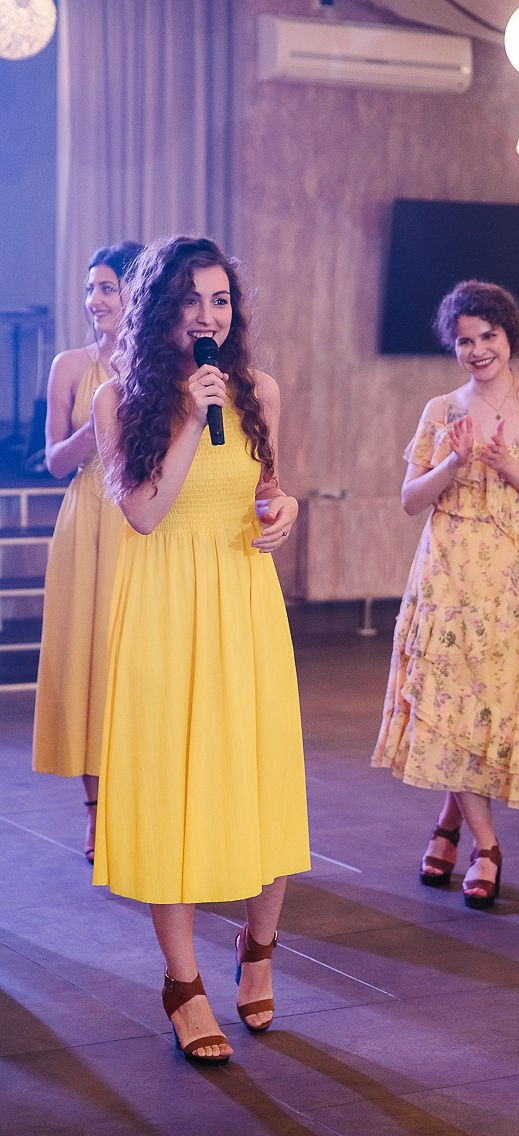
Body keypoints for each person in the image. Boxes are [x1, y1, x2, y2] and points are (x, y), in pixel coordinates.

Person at [92, 235, 309, 1061]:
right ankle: (183, 984)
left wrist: (285, 511)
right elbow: (145, 513)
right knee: (171, 786)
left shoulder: (260, 391)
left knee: (261, 774)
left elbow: (267, 490)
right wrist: (189, 413)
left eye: (220, 301)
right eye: (191, 301)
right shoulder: (121, 398)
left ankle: (260, 949)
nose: (208, 316)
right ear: (161, 310)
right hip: (163, 606)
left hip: (243, 599)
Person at [372, 280, 519, 909]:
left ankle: (448, 823)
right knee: (448, 702)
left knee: (490, 706)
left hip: (512, 581)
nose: (478, 349)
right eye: (465, 340)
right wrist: (454, 462)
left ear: (510, 335)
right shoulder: (442, 409)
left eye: (488, 335)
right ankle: (487, 847)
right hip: (448, 577)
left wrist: (507, 463)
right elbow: (411, 500)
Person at [33, 240, 143, 863]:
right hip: (86, 520)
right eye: (90, 289)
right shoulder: (70, 366)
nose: (94, 301)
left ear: (136, 294)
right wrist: (99, 424)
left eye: (107, 288)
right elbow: (53, 461)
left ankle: (144, 802)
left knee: (137, 660)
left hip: (143, 520)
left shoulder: (163, 366)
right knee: (89, 660)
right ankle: (98, 811)